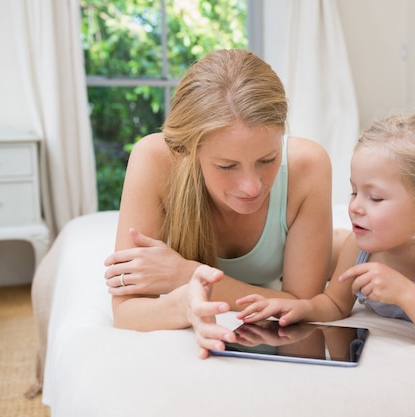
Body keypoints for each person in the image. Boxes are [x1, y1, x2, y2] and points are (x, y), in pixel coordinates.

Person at [103, 49, 335, 358]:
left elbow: (300, 307)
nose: (253, 187)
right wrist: (182, 304)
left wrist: (185, 274)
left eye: (268, 159)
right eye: (227, 166)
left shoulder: (309, 167)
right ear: (189, 150)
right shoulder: (155, 160)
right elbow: (127, 312)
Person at [236, 113, 415, 351]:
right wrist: (299, 308)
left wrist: (406, 293)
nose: (355, 207)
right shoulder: (359, 245)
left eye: (374, 198)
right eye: (353, 192)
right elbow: (336, 303)